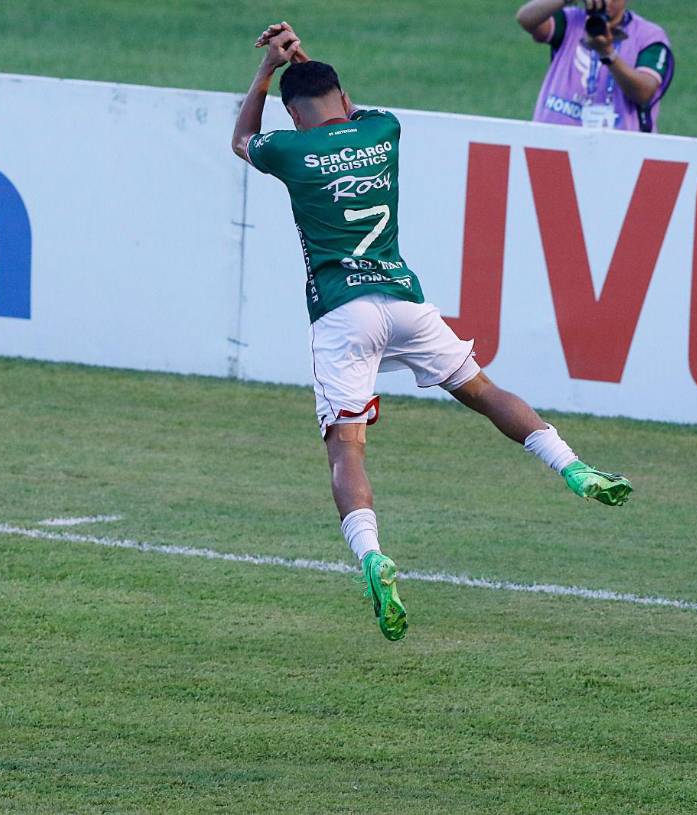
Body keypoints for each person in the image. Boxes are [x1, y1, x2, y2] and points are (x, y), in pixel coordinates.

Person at [231, 23, 633, 642]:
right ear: (342, 98)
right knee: (482, 391)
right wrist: (305, 58)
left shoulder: (289, 151)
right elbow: (344, 106)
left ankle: (370, 555)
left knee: (347, 446)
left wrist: (267, 70)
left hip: (344, 312)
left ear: (293, 114)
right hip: (404, 301)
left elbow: (242, 139)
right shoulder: (382, 129)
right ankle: (573, 467)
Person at [516, 0, 673, 131]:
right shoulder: (572, 20)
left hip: (620, 151)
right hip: (556, 142)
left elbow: (644, 92)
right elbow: (526, 19)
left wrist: (608, 54)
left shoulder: (649, 36)